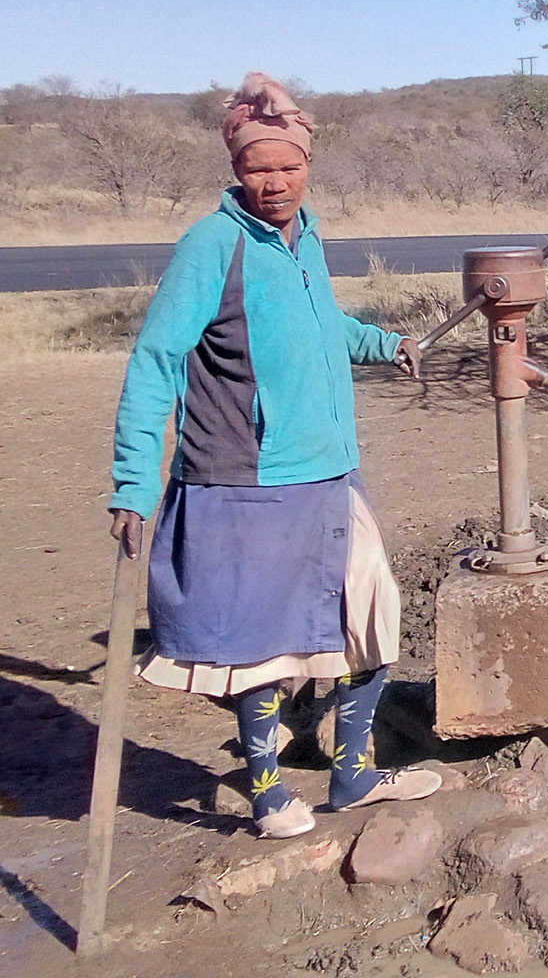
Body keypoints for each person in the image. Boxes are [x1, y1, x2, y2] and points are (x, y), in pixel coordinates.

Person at [108, 73, 438, 839]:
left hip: (330, 471)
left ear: (308, 167)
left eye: (289, 168)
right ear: (236, 169)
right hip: (244, 479)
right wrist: (132, 482)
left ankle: (352, 775)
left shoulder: (303, 238)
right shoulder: (212, 244)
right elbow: (156, 359)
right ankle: (267, 794)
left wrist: (385, 345)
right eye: (261, 168)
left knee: (371, 619)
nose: (275, 182)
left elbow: (320, 324)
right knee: (257, 646)